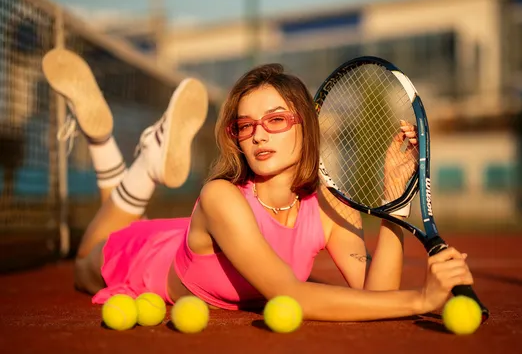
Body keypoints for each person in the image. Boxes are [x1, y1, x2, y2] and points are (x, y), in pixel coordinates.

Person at [42, 48, 474, 322]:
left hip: (197, 238)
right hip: (143, 259)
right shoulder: (219, 197)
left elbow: (376, 298)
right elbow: (288, 293)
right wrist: (421, 300)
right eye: (245, 125)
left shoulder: (330, 206)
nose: (259, 135)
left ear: (305, 125)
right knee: (85, 260)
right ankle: (117, 150)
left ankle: (140, 159)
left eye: (276, 120)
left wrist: (393, 204)